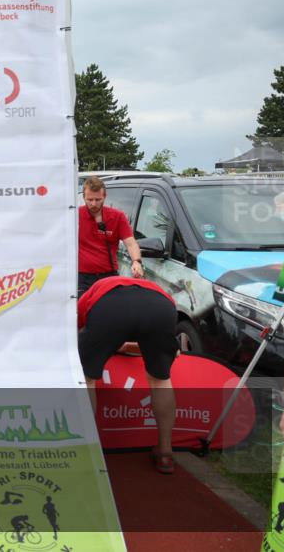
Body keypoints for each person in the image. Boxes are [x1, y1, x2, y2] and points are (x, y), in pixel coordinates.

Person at [77, 275, 178, 474]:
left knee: (86, 378)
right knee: (160, 380)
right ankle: (165, 451)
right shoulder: (158, 292)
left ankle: (86, 448)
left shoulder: (91, 294)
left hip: (110, 307)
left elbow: (81, 333)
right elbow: (153, 341)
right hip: (162, 309)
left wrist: (113, 345)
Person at [78, 176, 143, 296]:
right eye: (89, 199)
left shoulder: (117, 216)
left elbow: (131, 243)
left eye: (98, 199)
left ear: (104, 197)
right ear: (83, 197)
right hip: (82, 278)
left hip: (108, 276)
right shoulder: (75, 216)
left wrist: (136, 262)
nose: (94, 204)